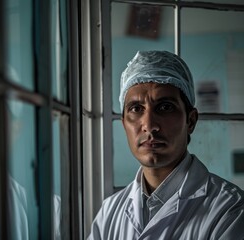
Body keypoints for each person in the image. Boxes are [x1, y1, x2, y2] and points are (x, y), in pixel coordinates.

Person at [87, 50, 244, 239]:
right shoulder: (110, 213)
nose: (150, 126)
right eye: (136, 109)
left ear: (191, 121)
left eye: (165, 107)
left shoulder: (229, 209)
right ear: (124, 124)